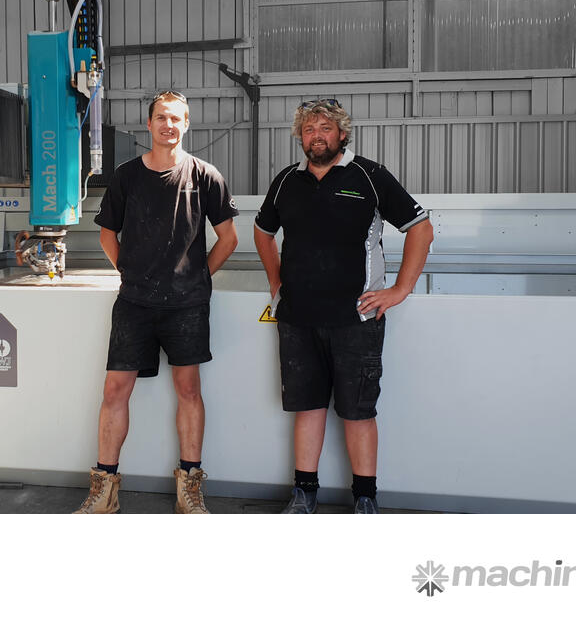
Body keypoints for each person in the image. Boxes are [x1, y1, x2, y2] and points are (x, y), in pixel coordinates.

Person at [253, 98, 433, 514]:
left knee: (358, 412)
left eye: (325, 128)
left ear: (342, 134)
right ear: (300, 137)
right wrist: (276, 282)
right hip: (297, 318)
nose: (316, 136)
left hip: (356, 319)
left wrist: (400, 289)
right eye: (309, 129)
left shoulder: (369, 175)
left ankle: (365, 498)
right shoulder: (286, 181)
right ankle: (304, 494)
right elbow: (263, 233)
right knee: (308, 408)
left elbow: (421, 229)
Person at [74, 90, 239, 514]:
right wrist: (129, 273)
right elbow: (107, 234)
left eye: (176, 118)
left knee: (189, 389)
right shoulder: (127, 176)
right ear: (148, 124)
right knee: (115, 390)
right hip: (135, 303)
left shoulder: (205, 176)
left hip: (187, 305)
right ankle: (104, 492)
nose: (169, 125)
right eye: (161, 117)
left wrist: (197, 276)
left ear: (187, 125)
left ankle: (189, 491)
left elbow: (228, 239)